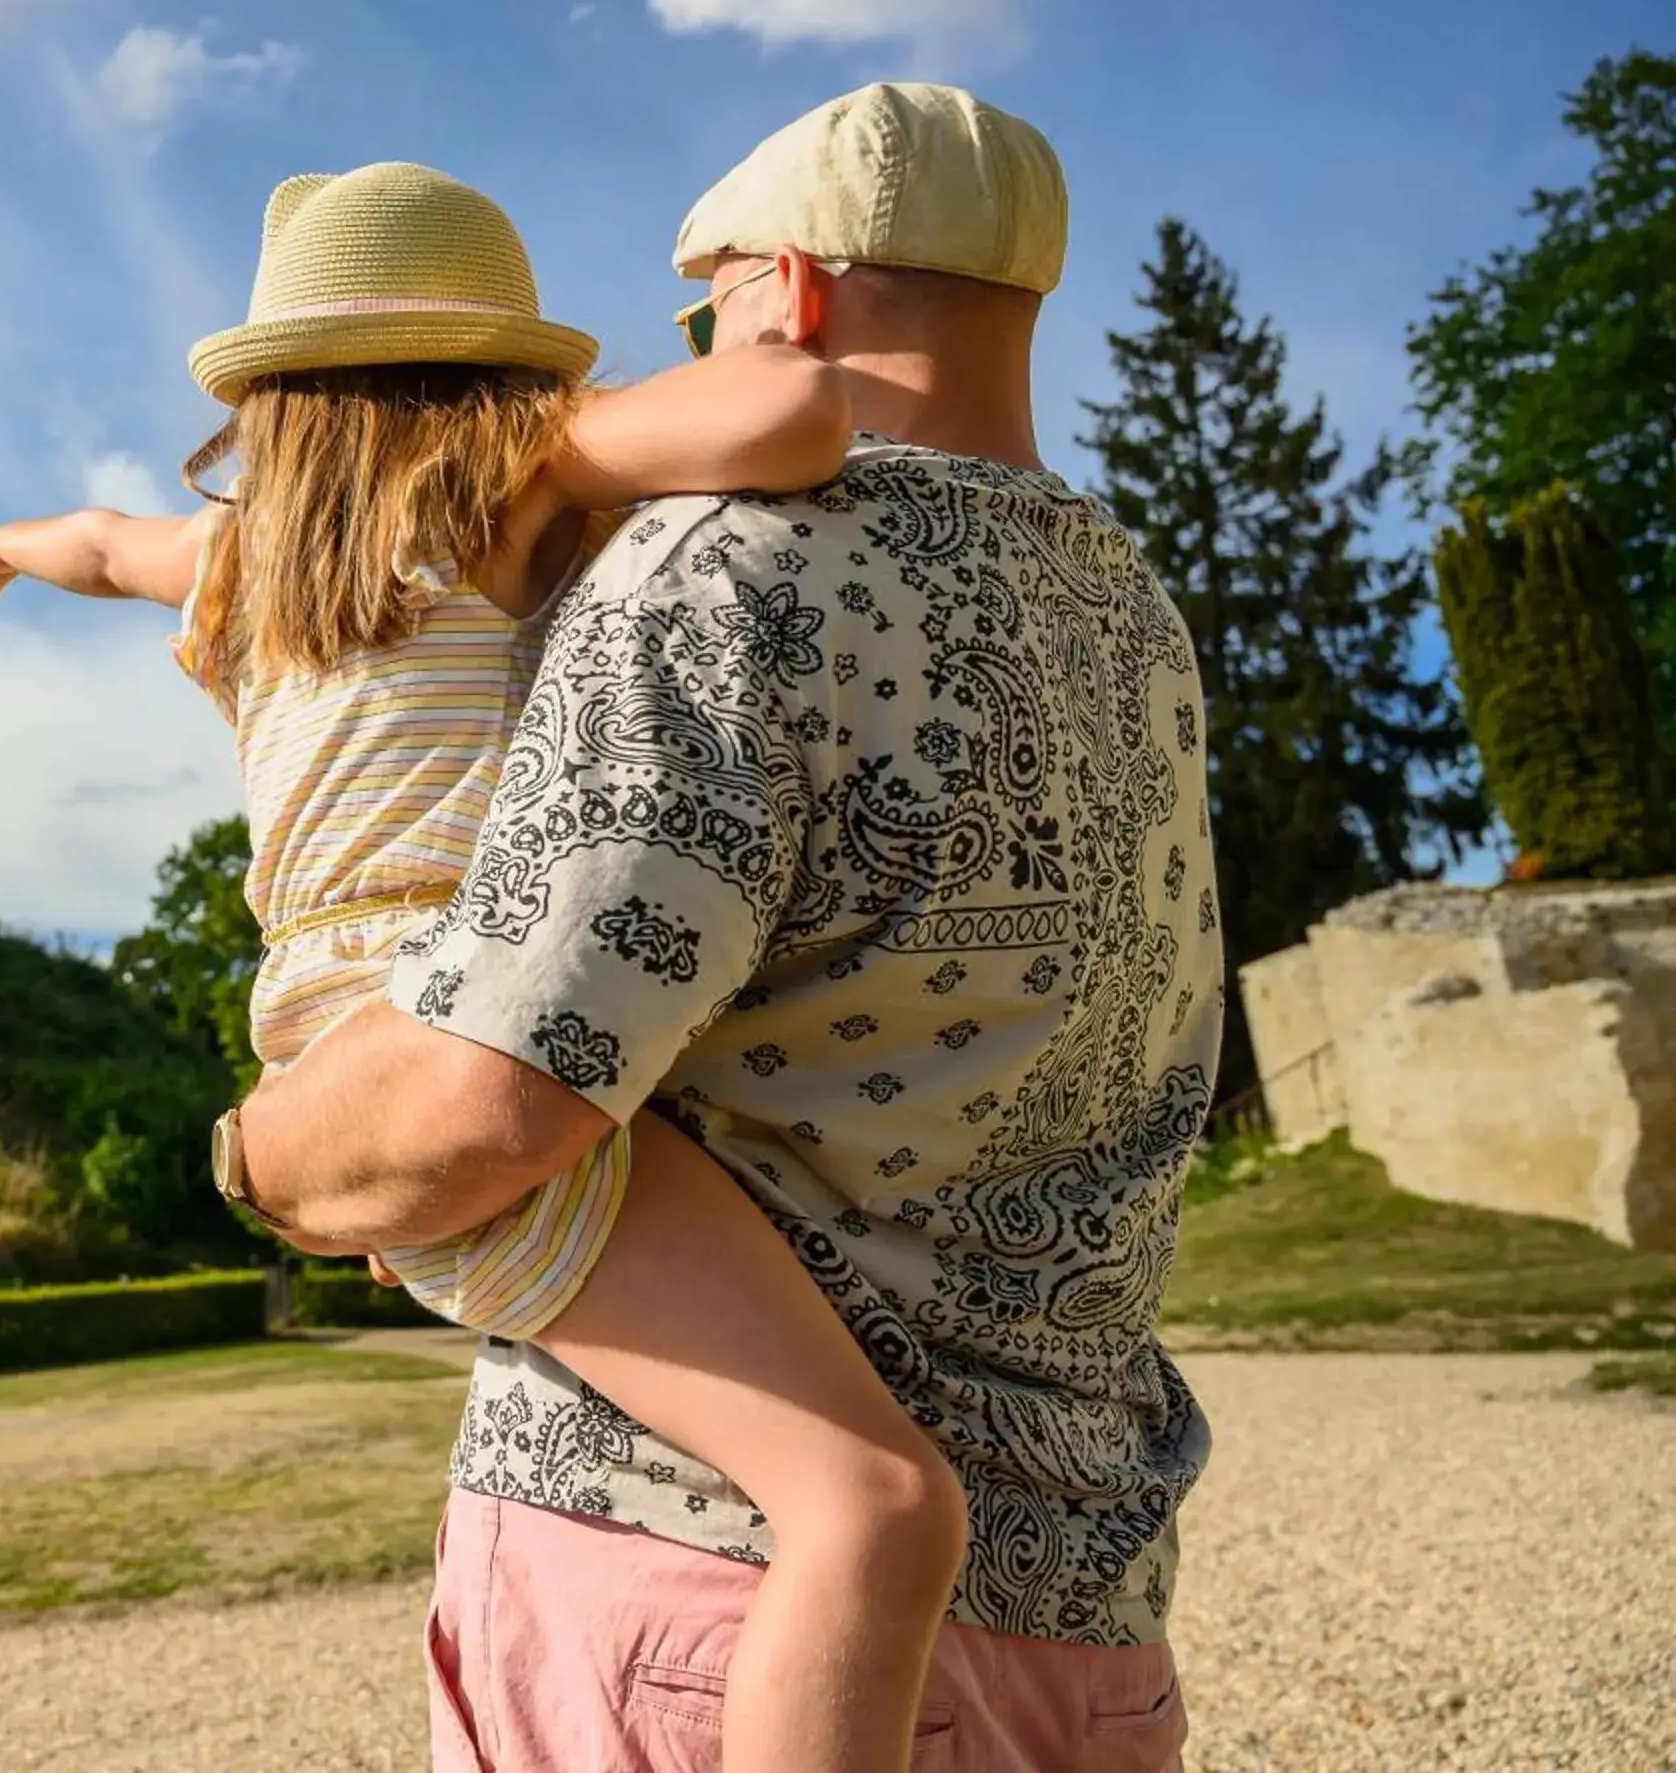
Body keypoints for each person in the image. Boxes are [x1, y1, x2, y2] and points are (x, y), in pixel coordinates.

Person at [223, 87, 1216, 1770]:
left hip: (702, 1596)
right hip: (1090, 1626)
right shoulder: (1135, 615)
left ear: (790, 294)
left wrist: (261, 1151)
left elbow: (494, 1097)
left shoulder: (726, 572)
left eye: (702, 319)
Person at [0, 161, 968, 1773]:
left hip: (335, 1026)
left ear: (267, 396)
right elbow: (797, 417)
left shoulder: (239, 558)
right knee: (877, 1503)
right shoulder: (502, 478)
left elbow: (89, 539)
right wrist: (613, 401)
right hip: (470, 1006)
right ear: (496, 364)